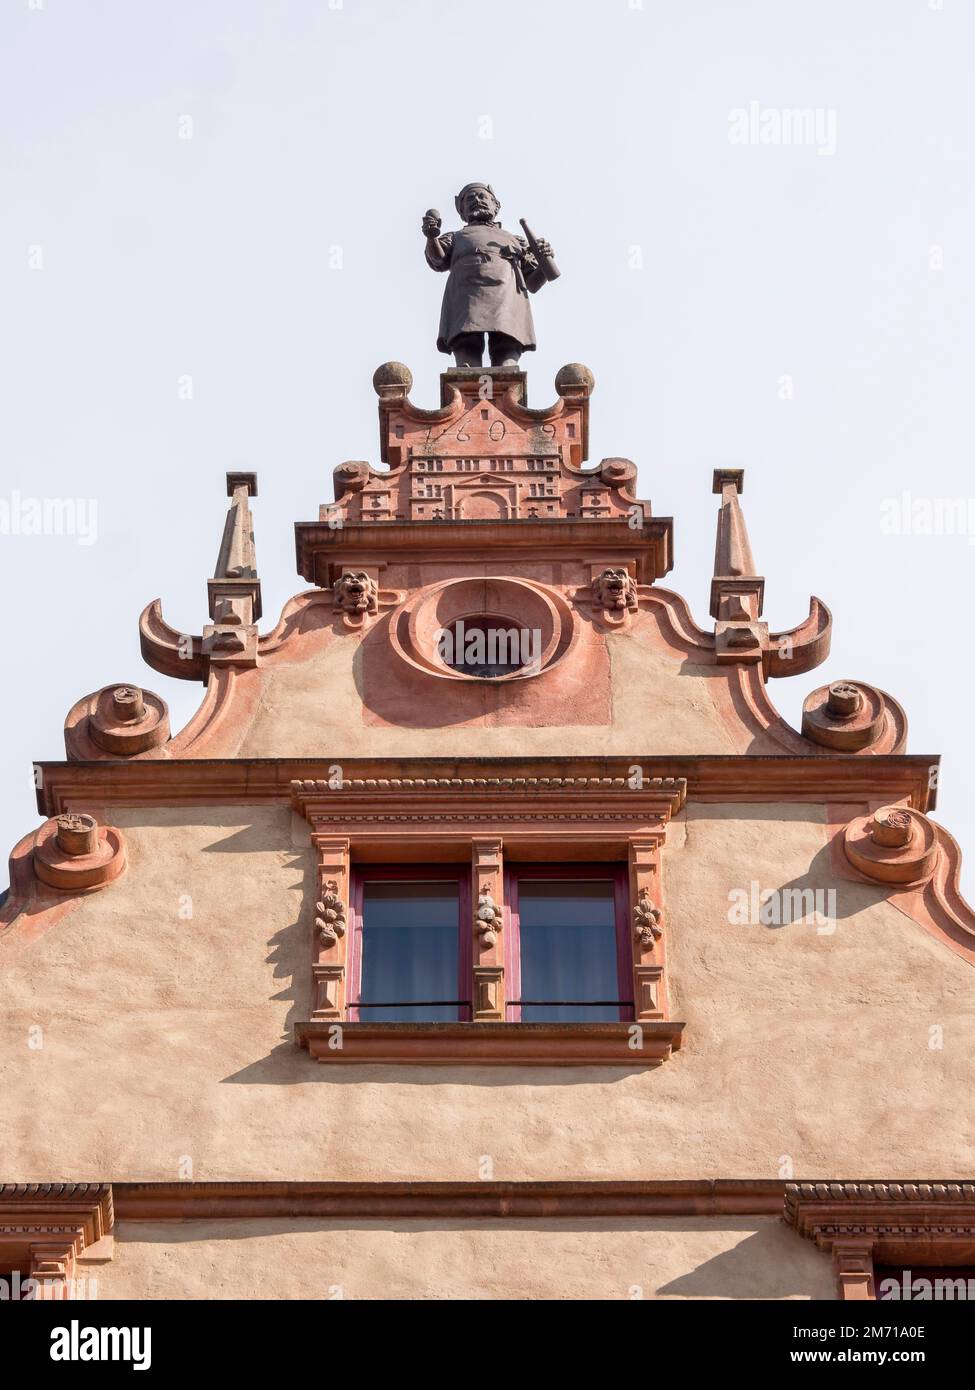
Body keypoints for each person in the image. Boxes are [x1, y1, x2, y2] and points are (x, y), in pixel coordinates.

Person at [423, 183, 555, 367]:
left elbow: (533, 283)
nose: (476, 200)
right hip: (466, 294)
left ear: (496, 205)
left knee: (507, 342)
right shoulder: (456, 236)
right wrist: (432, 237)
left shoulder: (516, 241)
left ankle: (507, 374)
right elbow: (438, 259)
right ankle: (466, 376)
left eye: (482, 196)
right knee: (466, 341)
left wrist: (544, 261)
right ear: (462, 212)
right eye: (470, 199)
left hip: (506, 296)